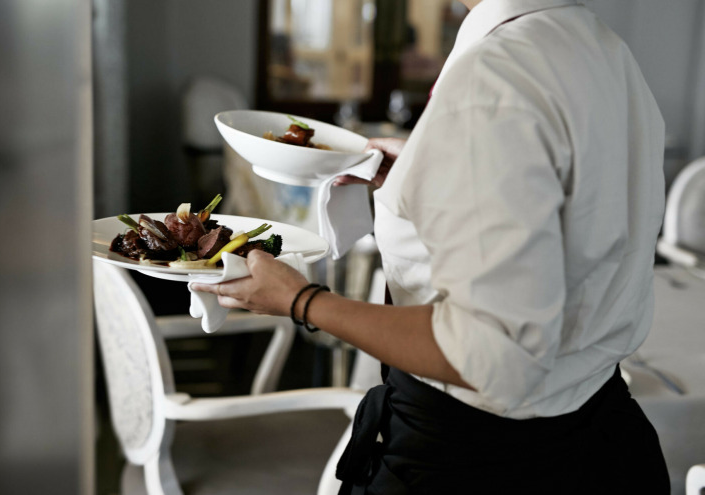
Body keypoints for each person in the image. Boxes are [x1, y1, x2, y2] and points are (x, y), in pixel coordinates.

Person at [192, 0, 671, 492]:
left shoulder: (494, 77)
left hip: (477, 464)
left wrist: (301, 300)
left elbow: (494, 354)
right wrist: (429, 176)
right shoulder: (601, 48)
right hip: (604, 448)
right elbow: (568, 208)